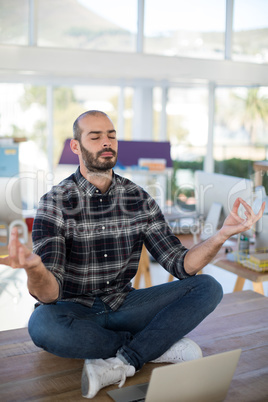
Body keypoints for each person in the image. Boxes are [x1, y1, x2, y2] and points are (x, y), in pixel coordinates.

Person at [1, 110, 265, 399]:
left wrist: (222, 234)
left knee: (208, 287)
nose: (107, 142)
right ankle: (155, 346)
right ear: (76, 146)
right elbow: (49, 295)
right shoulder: (55, 202)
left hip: (124, 304)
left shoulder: (138, 198)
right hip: (73, 311)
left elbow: (180, 264)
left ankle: (120, 359)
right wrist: (34, 269)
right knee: (42, 326)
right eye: (96, 136)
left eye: (111, 136)